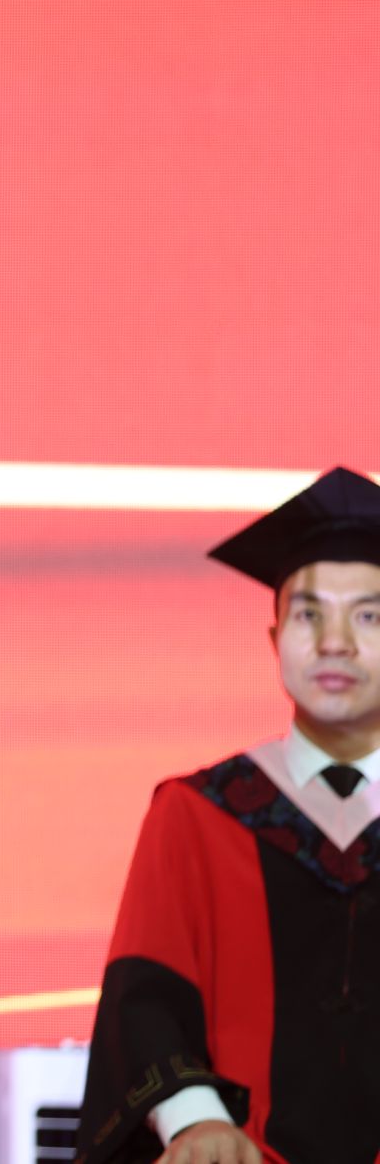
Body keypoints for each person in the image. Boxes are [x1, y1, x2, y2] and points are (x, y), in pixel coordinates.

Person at [78, 467, 380, 1164]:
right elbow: (145, 995)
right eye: (308, 614)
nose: (334, 641)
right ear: (274, 639)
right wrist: (197, 1122)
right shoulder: (199, 813)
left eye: (368, 615)